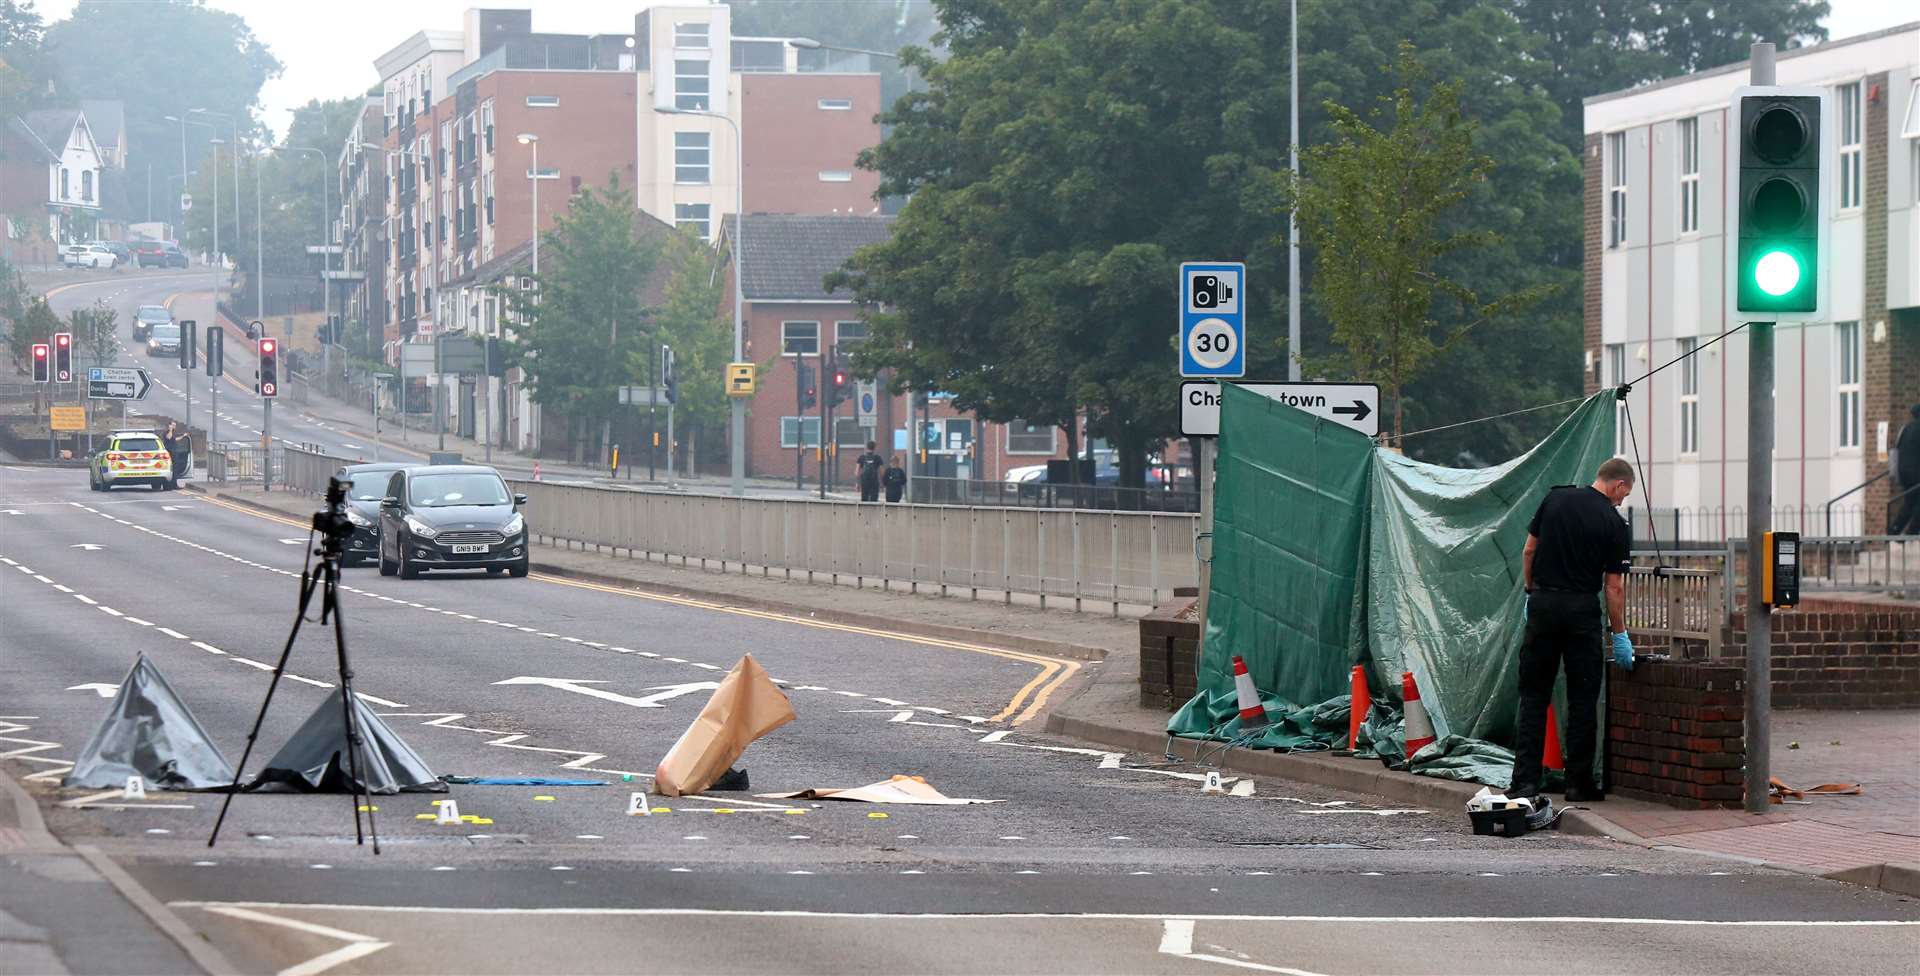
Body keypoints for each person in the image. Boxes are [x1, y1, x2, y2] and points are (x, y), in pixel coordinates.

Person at [1509, 458, 1636, 804]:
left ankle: (1524, 783)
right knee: (1582, 699)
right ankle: (1579, 783)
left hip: (1544, 605)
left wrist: (1530, 591)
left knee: (1534, 696)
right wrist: (1620, 634)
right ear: (1619, 485)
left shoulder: (1554, 499)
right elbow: (1613, 588)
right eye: (1624, 495)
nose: (1622, 502)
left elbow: (1529, 549)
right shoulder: (1614, 523)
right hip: (1581, 611)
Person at [1891, 404, 1920, 536]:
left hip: (1903, 472)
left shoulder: (1905, 429)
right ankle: (1912, 532)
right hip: (1916, 472)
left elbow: (1896, 449)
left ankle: (1894, 530)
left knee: (1910, 502)